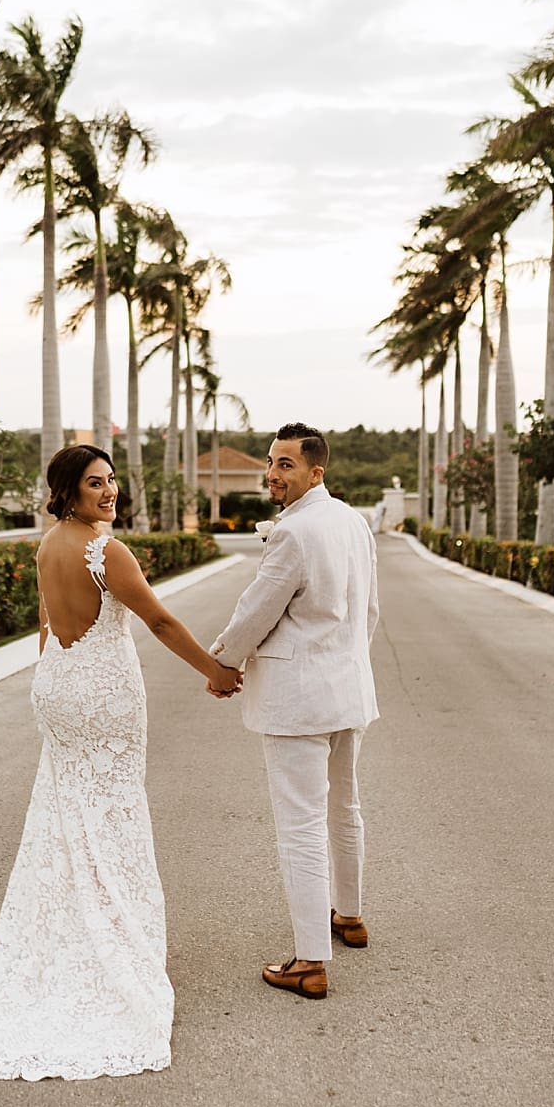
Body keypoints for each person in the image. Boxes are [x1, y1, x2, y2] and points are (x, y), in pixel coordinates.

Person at [0, 443, 241, 1079]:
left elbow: (46, 619)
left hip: (60, 685)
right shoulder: (106, 551)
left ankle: (72, 928)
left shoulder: (48, 544)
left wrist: (50, 673)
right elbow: (155, 621)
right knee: (111, 812)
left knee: (67, 808)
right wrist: (217, 670)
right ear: (69, 489)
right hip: (102, 694)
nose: (110, 493)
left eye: (112, 483)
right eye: (96, 484)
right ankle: (112, 942)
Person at [208, 423, 380, 1000]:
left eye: (286, 464)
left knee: (301, 823)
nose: (273, 473)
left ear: (315, 472)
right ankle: (348, 916)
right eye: (272, 462)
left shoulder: (296, 534)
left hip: (299, 700)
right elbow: (369, 611)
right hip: (346, 691)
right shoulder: (353, 522)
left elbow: (257, 610)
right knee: (344, 805)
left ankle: (310, 962)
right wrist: (348, 664)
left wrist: (223, 663)